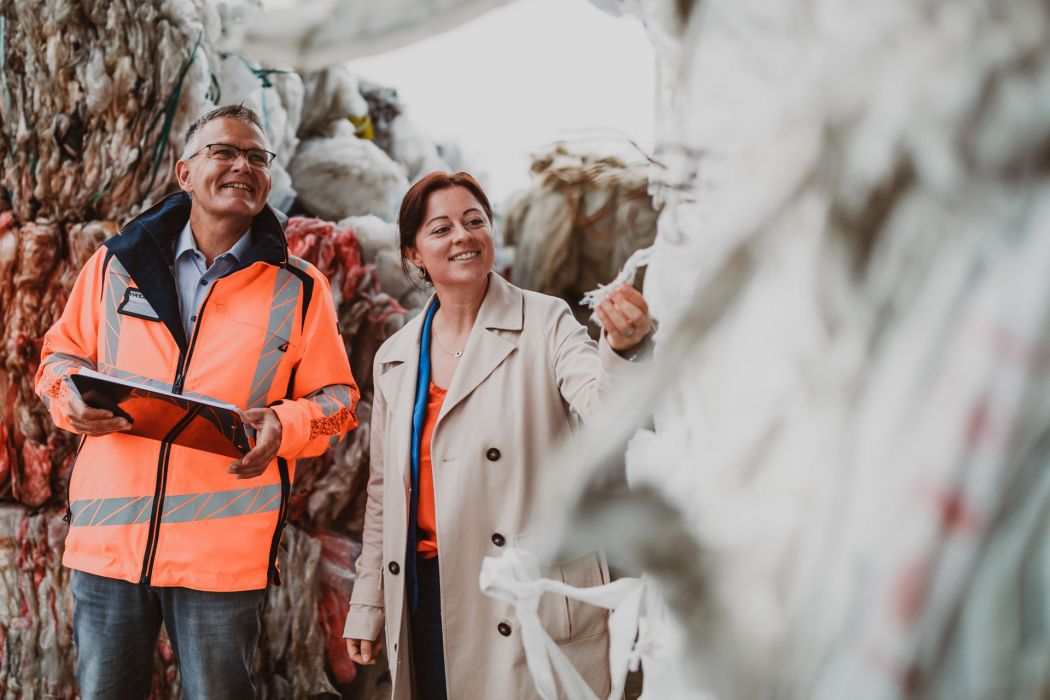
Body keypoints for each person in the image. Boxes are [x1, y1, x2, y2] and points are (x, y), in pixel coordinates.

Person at [35, 104, 359, 699]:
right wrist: (68, 400)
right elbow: (58, 356)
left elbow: (338, 400)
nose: (244, 165)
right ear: (185, 173)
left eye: (258, 157)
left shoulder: (300, 286)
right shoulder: (116, 264)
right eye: (225, 152)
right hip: (110, 548)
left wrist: (285, 425)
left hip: (222, 558)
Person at [343, 171, 653, 699]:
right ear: (414, 255)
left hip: (521, 587)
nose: (462, 236)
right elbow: (382, 495)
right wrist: (369, 603)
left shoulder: (546, 321)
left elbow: (607, 410)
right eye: (440, 229)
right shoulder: (395, 356)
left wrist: (623, 350)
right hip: (427, 596)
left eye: (474, 222)